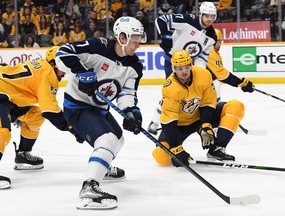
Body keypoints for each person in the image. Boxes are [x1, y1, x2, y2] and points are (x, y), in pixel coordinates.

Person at [55, 16, 147, 210]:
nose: (138, 44)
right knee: (107, 140)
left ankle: (101, 167)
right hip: (77, 106)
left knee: (119, 138)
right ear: (122, 37)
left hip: (99, 108)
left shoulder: (134, 66)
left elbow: (127, 93)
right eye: (135, 39)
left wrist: (132, 112)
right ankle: (89, 187)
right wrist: (81, 72)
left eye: (139, 39)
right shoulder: (98, 46)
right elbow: (62, 53)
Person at [0, 46, 82, 189]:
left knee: (35, 116)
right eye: (64, 66)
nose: (66, 72)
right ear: (54, 63)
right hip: (3, 96)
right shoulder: (49, 74)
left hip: (10, 100)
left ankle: (23, 154)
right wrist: (72, 127)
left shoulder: (42, 66)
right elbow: (50, 110)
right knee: (3, 133)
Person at [152, 50, 245, 168]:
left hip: (200, 117)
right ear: (174, 68)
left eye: (186, 67)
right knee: (161, 158)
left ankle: (217, 148)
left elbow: (208, 102)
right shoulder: (170, 88)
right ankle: (177, 151)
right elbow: (169, 118)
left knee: (236, 106)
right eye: (180, 68)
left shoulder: (203, 74)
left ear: (191, 65)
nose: (184, 72)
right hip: (179, 125)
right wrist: (176, 148)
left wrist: (206, 125)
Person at [148, 1, 218, 134]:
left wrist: (200, 71)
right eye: (207, 15)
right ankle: (155, 121)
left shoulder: (212, 36)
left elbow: (203, 55)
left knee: (191, 94)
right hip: (173, 64)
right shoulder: (187, 19)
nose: (209, 19)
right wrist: (166, 36)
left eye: (212, 16)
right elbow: (161, 20)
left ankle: (187, 119)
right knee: (172, 93)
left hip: (188, 67)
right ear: (201, 14)